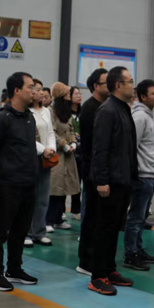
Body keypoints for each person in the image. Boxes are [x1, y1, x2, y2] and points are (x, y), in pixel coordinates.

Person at [0, 72, 40, 292]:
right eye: (30, 87)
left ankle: (14, 269)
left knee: (20, 230)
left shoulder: (29, 117)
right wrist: (3, 174)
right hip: (8, 184)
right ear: (17, 90)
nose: (34, 91)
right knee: (0, 230)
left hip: (29, 183)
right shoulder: (3, 118)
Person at [87, 67, 138, 295]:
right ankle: (97, 276)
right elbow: (100, 148)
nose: (133, 86)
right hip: (109, 183)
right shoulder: (107, 111)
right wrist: (102, 180)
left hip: (122, 180)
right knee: (104, 229)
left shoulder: (123, 109)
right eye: (130, 81)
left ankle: (109, 269)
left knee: (114, 228)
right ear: (118, 85)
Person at [124, 79, 154, 271]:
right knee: (136, 217)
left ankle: (138, 248)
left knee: (142, 216)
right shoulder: (140, 117)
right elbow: (131, 145)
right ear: (143, 97)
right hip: (142, 174)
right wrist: (135, 172)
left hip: (150, 173)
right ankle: (130, 254)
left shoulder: (150, 114)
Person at [76, 68, 109, 275]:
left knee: (100, 218)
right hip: (93, 171)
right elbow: (93, 146)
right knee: (91, 217)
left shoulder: (104, 107)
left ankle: (96, 257)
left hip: (99, 170)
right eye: (106, 82)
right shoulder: (90, 109)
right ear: (96, 86)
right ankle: (86, 261)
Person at [28, 78, 57, 247]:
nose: (40, 93)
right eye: (36, 89)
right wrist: (42, 149)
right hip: (32, 158)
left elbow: (51, 132)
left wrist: (51, 149)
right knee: (29, 198)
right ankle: (27, 233)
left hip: (46, 159)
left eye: (41, 89)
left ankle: (39, 232)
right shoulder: (27, 112)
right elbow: (27, 137)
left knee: (43, 198)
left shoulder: (46, 111)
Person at [47, 82, 80, 231]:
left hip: (68, 156)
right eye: (67, 94)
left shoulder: (66, 113)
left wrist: (73, 143)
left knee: (65, 188)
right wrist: (63, 144)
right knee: (54, 188)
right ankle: (48, 220)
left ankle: (58, 218)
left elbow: (71, 129)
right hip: (57, 155)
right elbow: (52, 132)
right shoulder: (50, 112)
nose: (69, 96)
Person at [68, 86, 84, 218]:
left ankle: (76, 209)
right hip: (69, 150)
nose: (79, 96)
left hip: (81, 151)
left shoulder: (83, 113)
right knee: (68, 180)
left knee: (79, 181)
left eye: (80, 94)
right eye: (76, 94)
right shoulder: (66, 113)